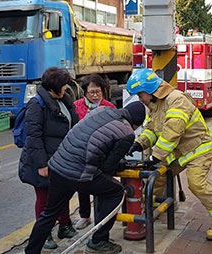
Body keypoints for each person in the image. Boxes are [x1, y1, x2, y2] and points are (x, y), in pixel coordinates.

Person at [25, 102, 147, 254]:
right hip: (78, 173)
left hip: (57, 165)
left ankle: (31, 251)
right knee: (115, 192)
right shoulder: (127, 132)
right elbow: (107, 168)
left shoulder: (102, 110)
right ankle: (98, 241)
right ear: (136, 123)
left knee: (49, 213)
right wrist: (121, 164)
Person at [126, 69, 212, 241]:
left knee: (197, 184)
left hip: (197, 149)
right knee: (157, 177)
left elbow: (172, 132)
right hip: (177, 153)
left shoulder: (176, 100)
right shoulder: (154, 105)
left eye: (140, 94)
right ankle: (152, 210)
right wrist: (139, 143)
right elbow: (152, 130)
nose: (139, 99)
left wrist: (155, 156)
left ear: (150, 90)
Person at [18, 67, 79, 249]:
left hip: (62, 159)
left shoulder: (64, 101)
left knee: (62, 194)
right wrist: (41, 164)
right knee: (44, 200)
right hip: (43, 161)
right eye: (63, 85)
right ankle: (43, 235)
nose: (66, 88)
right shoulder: (37, 105)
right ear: (54, 87)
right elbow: (33, 137)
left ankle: (64, 225)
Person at [72, 74, 117, 230]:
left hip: (102, 155)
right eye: (92, 92)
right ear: (85, 92)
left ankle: (101, 217)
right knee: (82, 186)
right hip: (82, 153)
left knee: (102, 186)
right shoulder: (76, 106)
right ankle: (85, 216)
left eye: (98, 91)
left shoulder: (110, 107)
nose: (95, 95)